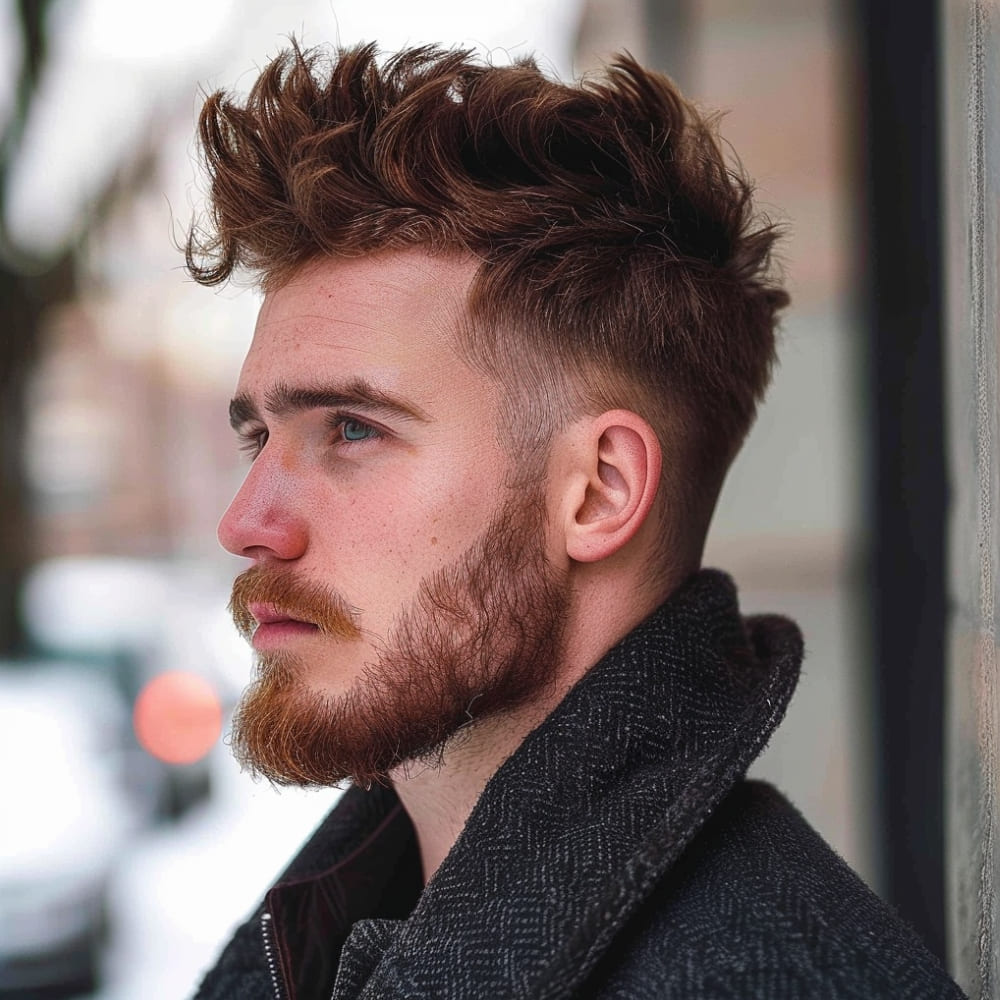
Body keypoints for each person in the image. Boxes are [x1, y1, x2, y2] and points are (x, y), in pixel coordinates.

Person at [188, 42, 964, 1000]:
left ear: (597, 491)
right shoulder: (329, 924)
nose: (246, 522)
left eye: (351, 428)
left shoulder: (768, 976)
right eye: (258, 436)